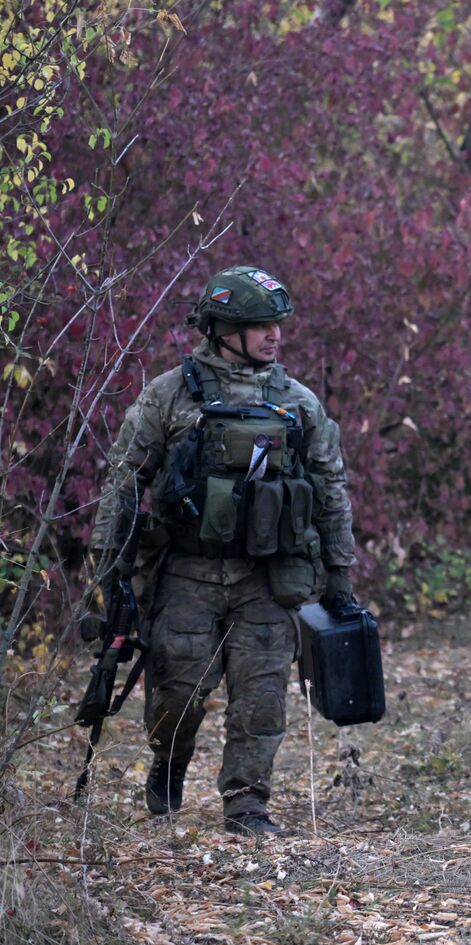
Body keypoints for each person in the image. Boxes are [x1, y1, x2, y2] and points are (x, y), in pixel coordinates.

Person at [89, 265, 357, 835]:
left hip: (268, 577)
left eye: (276, 324)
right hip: (188, 572)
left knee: (261, 700)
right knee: (176, 695)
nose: (274, 335)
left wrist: (340, 572)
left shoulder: (297, 402)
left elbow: (331, 488)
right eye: (259, 325)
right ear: (220, 329)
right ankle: (168, 761)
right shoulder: (169, 395)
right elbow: (125, 482)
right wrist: (109, 567)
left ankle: (247, 803)